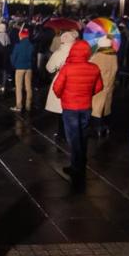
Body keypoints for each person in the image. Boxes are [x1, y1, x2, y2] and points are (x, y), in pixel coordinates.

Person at [52, 40, 103, 185]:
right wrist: (87, 94)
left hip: (70, 108)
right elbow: (99, 86)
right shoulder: (94, 68)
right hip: (86, 106)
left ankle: (76, 166)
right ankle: (81, 162)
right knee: (83, 135)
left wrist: (64, 96)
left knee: (73, 138)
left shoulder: (67, 68)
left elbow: (57, 87)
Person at [45, 32, 76, 138]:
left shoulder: (59, 52)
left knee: (61, 108)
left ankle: (62, 133)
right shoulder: (79, 51)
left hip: (62, 81)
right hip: (75, 81)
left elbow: (49, 68)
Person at [90, 36, 119, 136]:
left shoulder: (97, 56)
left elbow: (91, 68)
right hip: (109, 85)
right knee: (106, 108)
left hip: (99, 85)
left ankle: (97, 129)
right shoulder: (113, 55)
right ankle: (106, 128)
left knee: (96, 109)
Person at [9, 28, 34, 112]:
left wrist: (14, 65)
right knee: (28, 87)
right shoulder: (31, 45)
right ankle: (28, 105)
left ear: (21, 36)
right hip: (29, 68)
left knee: (19, 87)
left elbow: (13, 57)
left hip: (19, 68)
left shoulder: (18, 45)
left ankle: (19, 106)